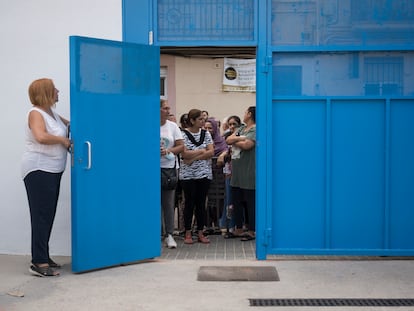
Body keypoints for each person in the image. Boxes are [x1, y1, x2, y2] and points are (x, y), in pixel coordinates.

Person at [22, 78, 71, 277]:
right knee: (41, 216)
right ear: (45, 92)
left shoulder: (52, 114)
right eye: (54, 89)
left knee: (47, 214)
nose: (58, 91)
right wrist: (63, 140)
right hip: (39, 170)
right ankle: (38, 261)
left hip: (53, 170)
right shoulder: (35, 113)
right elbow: (40, 136)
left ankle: (44, 255)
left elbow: (73, 124)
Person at [179, 109, 214, 244]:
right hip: (188, 175)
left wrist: (193, 157)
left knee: (201, 204)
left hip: (204, 174)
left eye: (203, 119)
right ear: (192, 120)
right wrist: (201, 151)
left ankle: (200, 231)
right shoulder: (183, 134)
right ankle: (187, 232)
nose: (203, 121)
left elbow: (211, 152)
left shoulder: (206, 134)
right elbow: (184, 154)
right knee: (189, 203)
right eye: (199, 119)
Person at [226, 107, 256, 241]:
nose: (243, 114)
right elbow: (228, 140)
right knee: (236, 201)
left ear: (249, 114)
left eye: (245, 112)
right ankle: (238, 228)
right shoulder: (242, 129)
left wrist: (237, 140)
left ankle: (251, 230)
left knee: (250, 202)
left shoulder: (255, 129)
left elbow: (247, 145)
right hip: (236, 173)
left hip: (249, 171)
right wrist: (241, 138)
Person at [160, 100, 184, 248]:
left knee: (168, 203)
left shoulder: (173, 126)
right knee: (151, 203)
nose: (168, 110)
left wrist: (168, 151)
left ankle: (169, 234)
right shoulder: (147, 123)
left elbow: (181, 146)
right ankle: (154, 234)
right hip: (150, 169)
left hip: (168, 168)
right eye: (165, 108)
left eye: (169, 107)